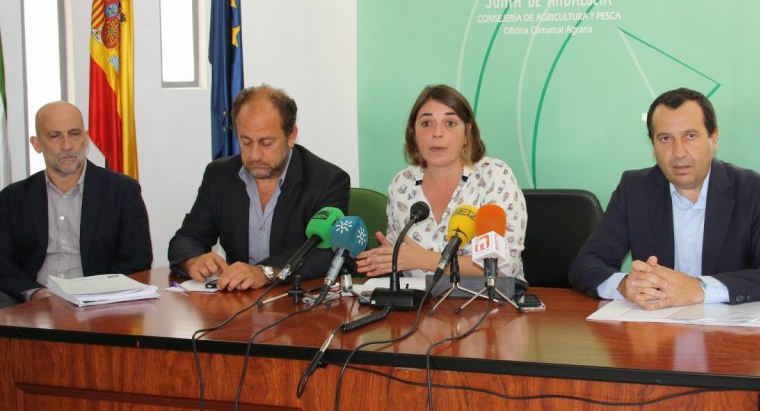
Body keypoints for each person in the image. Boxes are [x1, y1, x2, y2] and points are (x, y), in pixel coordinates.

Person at [569, 87, 760, 306]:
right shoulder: (634, 189)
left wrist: (699, 289)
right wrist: (624, 284)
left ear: (713, 138)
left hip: (728, 327)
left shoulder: (754, 191)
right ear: (653, 144)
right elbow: (586, 264)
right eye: (665, 139)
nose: (678, 152)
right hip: (655, 326)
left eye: (690, 136)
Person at [167, 85, 350, 290]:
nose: (255, 155)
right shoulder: (219, 175)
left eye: (266, 143)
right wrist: (193, 260)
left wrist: (265, 272)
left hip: (293, 299)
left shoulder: (326, 180)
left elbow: (328, 252)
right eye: (246, 142)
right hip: (238, 300)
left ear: (291, 136)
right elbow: (187, 238)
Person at [356, 84, 527, 284]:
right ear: (413, 133)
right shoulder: (402, 184)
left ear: (467, 133)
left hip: (488, 300)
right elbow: (400, 256)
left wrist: (423, 260)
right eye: (426, 123)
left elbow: (504, 267)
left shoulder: (493, 176)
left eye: (450, 123)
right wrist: (386, 258)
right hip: (421, 300)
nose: (437, 133)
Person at [0, 102, 152, 306]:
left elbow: (137, 260)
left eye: (74, 134)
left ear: (86, 138)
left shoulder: (122, 191)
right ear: (37, 144)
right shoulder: (13, 198)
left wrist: (90, 294)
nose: (67, 145)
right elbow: (3, 262)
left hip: (100, 304)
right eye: (55, 136)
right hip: (33, 304)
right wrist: (35, 293)